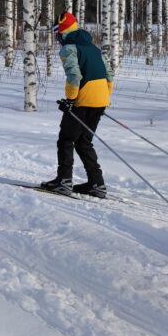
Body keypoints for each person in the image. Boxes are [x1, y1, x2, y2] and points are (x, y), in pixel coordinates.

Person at [40, 11, 114, 198]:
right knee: (84, 141)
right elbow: (109, 74)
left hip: (83, 100)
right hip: (101, 99)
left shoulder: (69, 48)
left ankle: (63, 181)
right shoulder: (94, 48)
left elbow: (74, 76)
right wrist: (104, 96)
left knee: (66, 139)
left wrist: (71, 100)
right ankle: (97, 183)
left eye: (57, 33)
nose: (57, 37)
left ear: (62, 32)